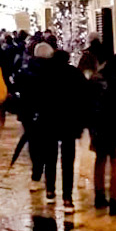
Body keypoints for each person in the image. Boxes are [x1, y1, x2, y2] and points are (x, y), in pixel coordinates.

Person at [41, 50, 88, 212]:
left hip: (49, 122)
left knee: (49, 159)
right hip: (69, 122)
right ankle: (67, 198)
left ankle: (50, 191)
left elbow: (37, 97)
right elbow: (84, 98)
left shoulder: (45, 73)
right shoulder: (75, 74)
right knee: (68, 161)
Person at [89, 53, 116, 216]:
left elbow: (89, 101)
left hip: (98, 125)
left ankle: (99, 195)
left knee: (100, 159)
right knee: (115, 161)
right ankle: (114, 199)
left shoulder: (96, 80)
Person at [15, 42, 55, 191]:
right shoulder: (54, 71)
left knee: (34, 144)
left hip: (29, 114)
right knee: (50, 146)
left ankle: (36, 175)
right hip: (49, 113)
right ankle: (49, 184)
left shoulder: (26, 70)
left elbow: (18, 87)